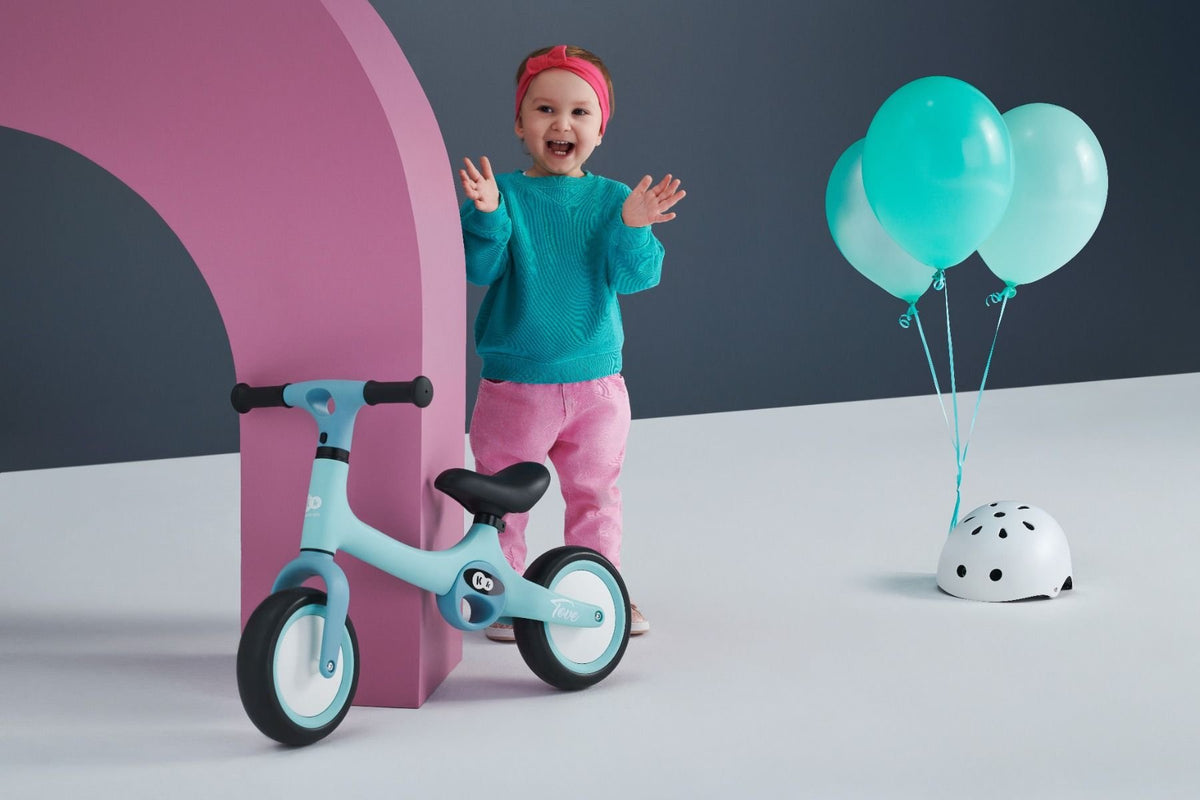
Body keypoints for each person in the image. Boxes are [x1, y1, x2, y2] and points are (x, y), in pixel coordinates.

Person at [459, 44, 684, 641]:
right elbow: (480, 270)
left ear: (600, 129)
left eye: (581, 112)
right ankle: (505, 597)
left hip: (598, 386)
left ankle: (599, 591)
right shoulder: (501, 194)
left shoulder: (615, 201)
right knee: (502, 502)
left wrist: (635, 227)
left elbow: (638, 277)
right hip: (516, 388)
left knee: (596, 499)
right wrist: (484, 216)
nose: (562, 124)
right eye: (545, 109)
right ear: (520, 123)